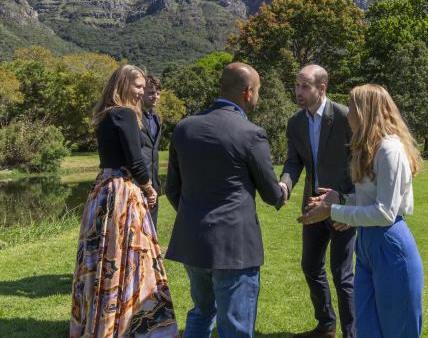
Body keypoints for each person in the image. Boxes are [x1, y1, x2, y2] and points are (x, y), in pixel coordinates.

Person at [165, 62, 287, 338]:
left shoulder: (185, 128)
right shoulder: (250, 134)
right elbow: (271, 194)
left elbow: (173, 188)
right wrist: (283, 189)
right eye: (258, 91)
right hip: (234, 247)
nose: (258, 96)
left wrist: (195, 216)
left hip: (193, 241)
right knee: (236, 325)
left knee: (201, 312)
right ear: (247, 92)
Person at [299, 84, 424, 338]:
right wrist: (342, 199)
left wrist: (333, 211)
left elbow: (384, 213)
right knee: (366, 327)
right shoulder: (371, 148)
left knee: (396, 329)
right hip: (367, 242)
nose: (349, 114)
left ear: (366, 111)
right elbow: (368, 199)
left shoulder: (390, 150)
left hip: (389, 243)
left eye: (353, 106)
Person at [70, 64, 178, 337]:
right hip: (123, 191)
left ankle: (102, 320)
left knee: (103, 256)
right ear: (123, 85)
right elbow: (135, 159)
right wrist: (150, 188)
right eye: (138, 86)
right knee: (130, 256)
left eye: (144, 87)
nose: (142, 92)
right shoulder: (126, 114)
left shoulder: (105, 114)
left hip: (103, 189)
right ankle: (130, 323)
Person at [280, 65, 356, 338]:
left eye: (304, 86)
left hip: (341, 209)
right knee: (310, 266)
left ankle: (351, 333)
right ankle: (326, 326)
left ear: (321, 88)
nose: (298, 92)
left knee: (342, 274)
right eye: (296, 85)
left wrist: (351, 206)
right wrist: (284, 184)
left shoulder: (346, 117)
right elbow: (293, 162)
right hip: (313, 208)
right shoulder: (295, 123)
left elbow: (361, 162)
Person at [140, 74, 162, 228]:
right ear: (141, 92)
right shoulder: (133, 117)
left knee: (152, 227)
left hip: (153, 180)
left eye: (158, 93)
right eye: (151, 93)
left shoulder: (156, 118)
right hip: (137, 181)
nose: (155, 97)